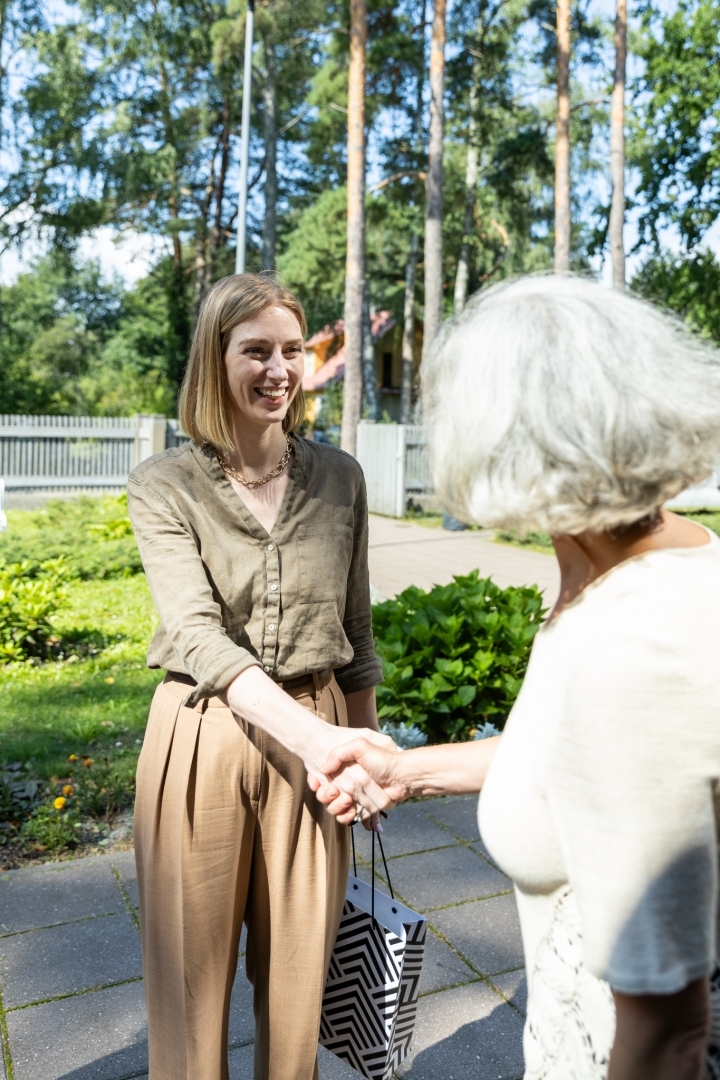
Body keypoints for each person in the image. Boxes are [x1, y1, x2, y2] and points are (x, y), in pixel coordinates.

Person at [310, 274, 720, 1080]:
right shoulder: (668, 563)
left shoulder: (630, 646)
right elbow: (581, 754)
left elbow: (668, 1031)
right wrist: (408, 769)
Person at [127, 273, 394, 1080]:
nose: (278, 369)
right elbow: (200, 639)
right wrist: (324, 741)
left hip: (318, 726)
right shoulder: (163, 485)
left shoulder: (341, 477)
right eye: (256, 351)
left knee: (298, 991)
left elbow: (355, 634)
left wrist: (367, 751)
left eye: (291, 351)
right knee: (189, 991)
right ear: (215, 359)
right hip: (200, 734)